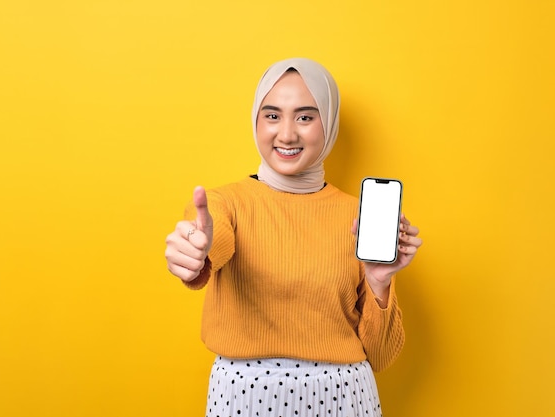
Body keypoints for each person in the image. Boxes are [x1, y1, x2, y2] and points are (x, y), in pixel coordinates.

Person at [164, 57, 422, 417]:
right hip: (244, 400)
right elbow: (207, 243)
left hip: (344, 400)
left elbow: (379, 356)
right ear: (255, 119)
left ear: (328, 122)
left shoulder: (359, 219)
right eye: (272, 115)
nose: (286, 134)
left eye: (305, 116)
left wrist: (379, 283)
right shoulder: (223, 206)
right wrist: (195, 253)